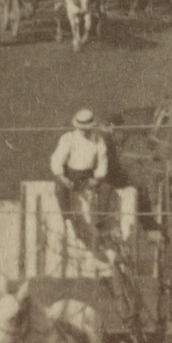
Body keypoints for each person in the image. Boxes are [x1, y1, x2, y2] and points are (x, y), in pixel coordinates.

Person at [50, 109, 111, 257]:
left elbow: (103, 162)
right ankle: (69, 221)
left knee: (106, 188)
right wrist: (64, 178)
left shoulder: (98, 140)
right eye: (82, 128)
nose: (85, 131)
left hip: (88, 176)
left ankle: (100, 224)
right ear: (77, 127)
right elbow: (57, 160)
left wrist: (96, 178)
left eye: (87, 129)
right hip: (71, 175)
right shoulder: (68, 138)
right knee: (59, 189)